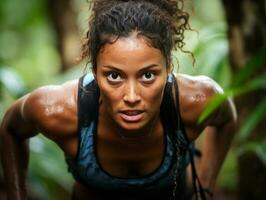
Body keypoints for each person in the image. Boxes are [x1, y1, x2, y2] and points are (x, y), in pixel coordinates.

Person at [0, 0, 237, 199]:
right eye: (114, 76)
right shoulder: (57, 110)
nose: (131, 97)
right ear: (94, 69)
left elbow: (227, 118)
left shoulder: (196, 100)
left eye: (147, 75)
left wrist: (206, 185)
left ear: (169, 68)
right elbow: (10, 128)